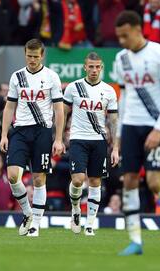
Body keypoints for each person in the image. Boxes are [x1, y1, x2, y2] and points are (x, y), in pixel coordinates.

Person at [114, 11, 160, 255]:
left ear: (137, 29)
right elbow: (124, 96)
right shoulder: (121, 59)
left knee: (155, 182)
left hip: (156, 124)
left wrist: (159, 127)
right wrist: (119, 133)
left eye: (125, 36)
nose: (122, 41)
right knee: (129, 181)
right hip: (131, 125)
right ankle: (135, 241)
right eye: (119, 37)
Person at [0, 38, 64, 237]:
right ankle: (27, 213)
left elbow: (59, 110)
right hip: (19, 131)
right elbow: (9, 106)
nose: (33, 60)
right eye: (29, 56)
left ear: (42, 55)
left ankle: (35, 224)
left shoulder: (51, 77)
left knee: (38, 178)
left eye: (36, 56)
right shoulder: (17, 77)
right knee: (12, 176)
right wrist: (4, 134)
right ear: (25, 54)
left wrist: (59, 138)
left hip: (42, 131)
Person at [63, 51, 119, 236]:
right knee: (78, 180)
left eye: (97, 67)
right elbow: (63, 112)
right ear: (85, 67)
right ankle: (76, 209)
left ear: (101, 68)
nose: (94, 70)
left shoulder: (109, 90)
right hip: (78, 139)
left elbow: (113, 120)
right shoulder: (73, 87)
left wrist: (116, 148)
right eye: (91, 67)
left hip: (99, 140)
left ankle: (90, 224)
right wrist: (58, 138)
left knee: (95, 182)